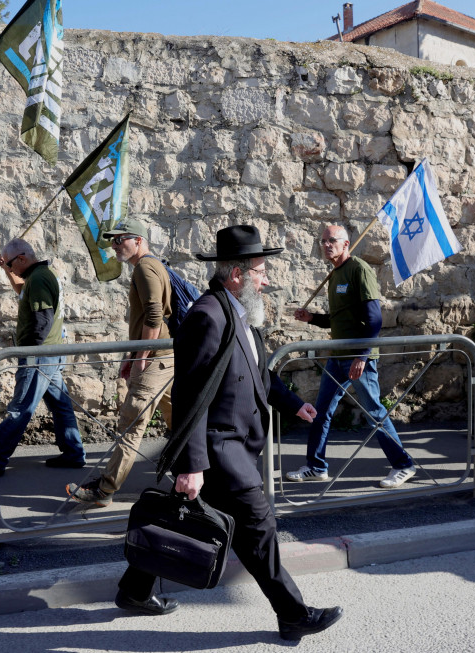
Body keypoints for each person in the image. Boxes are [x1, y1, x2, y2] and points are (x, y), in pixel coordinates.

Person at [115, 225, 343, 642]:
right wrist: (192, 465)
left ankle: (134, 590)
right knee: (259, 531)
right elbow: (189, 396)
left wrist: (293, 403)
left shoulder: (241, 313)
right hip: (220, 450)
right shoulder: (207, 316)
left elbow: (259, 372)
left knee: (180, 520)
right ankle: (293, 614)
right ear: (236, 274)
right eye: (260, 270)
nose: (267, 278)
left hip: (234, 446)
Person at [286, 224, 417, 489]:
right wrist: (311, 318)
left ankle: (404, 465)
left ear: (346, 244)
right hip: (338, 357)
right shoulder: (335, 274)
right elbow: (337, 321)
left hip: (358, 358)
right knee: (321, 412)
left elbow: (375, 319)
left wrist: (363, 356)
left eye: (331, 240)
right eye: (322, 240)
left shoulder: (359, 269)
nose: (325, 245)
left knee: (375, 413)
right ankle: (316, 467)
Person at [67, 219, 174, 507]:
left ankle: (104, 490)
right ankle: (200, 478)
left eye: (120, 240)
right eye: (112, 241)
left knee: (131, 424)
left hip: (154, 360)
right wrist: (131, 354)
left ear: (138, 240)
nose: (114, 246)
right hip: (163, 358)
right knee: (179, 423)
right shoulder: (153, 266)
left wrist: (140, 356)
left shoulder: (145, 267)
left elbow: (154, 314)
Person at [0, 238, 85, 477]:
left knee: (21, 407)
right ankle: (73, 453)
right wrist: (7, 268)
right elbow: (21, 289)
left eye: (11, 264)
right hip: (50, 352)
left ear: (22, 258)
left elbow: (43, 320)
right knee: (61, 406)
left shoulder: (38, 279)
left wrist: (30, 354)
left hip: (39, 355)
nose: (11, 268)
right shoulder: (39, 276)